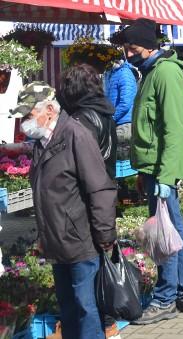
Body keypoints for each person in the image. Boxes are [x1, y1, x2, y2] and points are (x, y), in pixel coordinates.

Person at [10, 81, 117, 339]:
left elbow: (100, 188)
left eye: (28, 114)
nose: (24, 121)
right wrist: (43, 237)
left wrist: (104, 235)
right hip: (58, 241)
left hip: (81, 241)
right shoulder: (41, 142)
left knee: (86, 308)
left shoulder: (76, 135)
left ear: (49, 108)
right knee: (68, 308)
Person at [122, 17, 183, 325]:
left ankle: (164, 299)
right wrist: (146, 174)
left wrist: (166, 178)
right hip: (154, 168)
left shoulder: (165, 72)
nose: (128, 54)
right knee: (174, 230)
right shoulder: (152, 71)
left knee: (164, 235)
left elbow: (174, 129)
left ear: (150, 46)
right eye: (126, 49)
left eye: (132, 48)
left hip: (162, 168)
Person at [55, 64, 120, 339]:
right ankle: (109, 326)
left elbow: (83, 169)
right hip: (102, 196)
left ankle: (103, 327)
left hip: (85, 201)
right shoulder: (105, 112)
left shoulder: (81, 120)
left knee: (86, 286)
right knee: (96, 275)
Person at [56, 63, 118, 179]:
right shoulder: (103, 109)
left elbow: (83, 158)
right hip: (104, 179)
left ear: (73, 89)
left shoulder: (82, 117)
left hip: (91, 183)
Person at [104, 57, 137, 160]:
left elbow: (125, 103)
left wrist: (111, 117)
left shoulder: (125, 73)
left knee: (122, 159)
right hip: (116, 122)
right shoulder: (111, 73)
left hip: (123, 123)